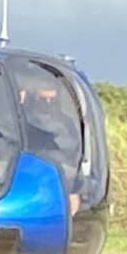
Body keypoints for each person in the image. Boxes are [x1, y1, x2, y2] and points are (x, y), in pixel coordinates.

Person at [21, 78, 82, 215]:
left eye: (52, 102)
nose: (48, 106)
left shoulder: (66, 123)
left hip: (60, 174)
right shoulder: (22, 120)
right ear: (33, 99)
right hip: (31, 172)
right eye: (43, 101)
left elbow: (74, 151)